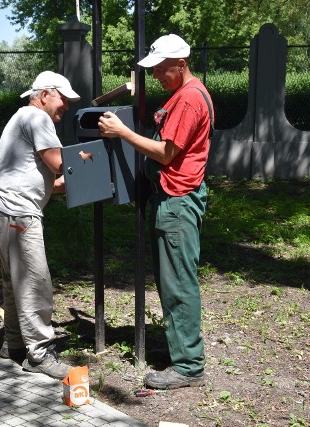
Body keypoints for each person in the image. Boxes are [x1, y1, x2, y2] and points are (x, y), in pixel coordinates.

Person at [98, 34, 214, 389]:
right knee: (171, 280)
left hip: (178, 200)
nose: (158, 76)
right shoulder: (182, 95)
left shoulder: (191, 99)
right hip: (171, 198)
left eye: (162, 69)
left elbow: (166, 154)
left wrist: (121, 132)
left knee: (179, 283)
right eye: (154, 70)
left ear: (181, 64)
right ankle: (181, 351)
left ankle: (190, 366)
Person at [0, 71, 80, 380]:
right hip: (18, 214)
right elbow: (58, 165)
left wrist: (87, 182)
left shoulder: (22, 119)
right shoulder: (37, 119)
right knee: (35, 282)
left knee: (15, 282)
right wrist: (92, 159)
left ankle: (13, 346)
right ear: (44, 94)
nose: (66, 106)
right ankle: (39, 354)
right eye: (63, 99)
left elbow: (51, 183)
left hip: (3, 210)